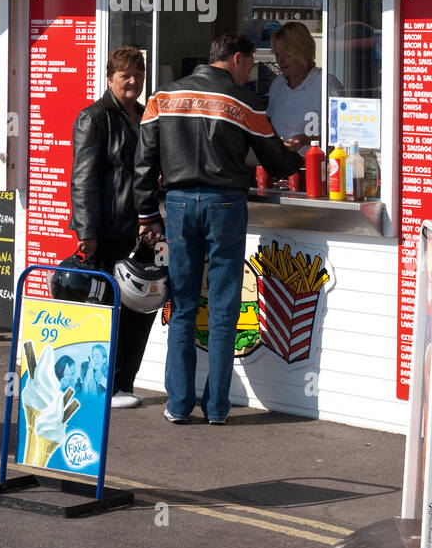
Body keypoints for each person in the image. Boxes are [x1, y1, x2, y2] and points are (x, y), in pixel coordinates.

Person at [134, 33, 301, 425]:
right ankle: (216, 408)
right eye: (249, 65)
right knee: (224, 308)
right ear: (237, 59)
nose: (250, 73)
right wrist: (301, 158)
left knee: (183, 306)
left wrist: (146, 214)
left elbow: (142, 161)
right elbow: (275, 161)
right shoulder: (243, 101)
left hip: (175, 205)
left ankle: (177, 405)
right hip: (224, 204)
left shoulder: (162, 97)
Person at [69, 45, 152, 408]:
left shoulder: (146, 114)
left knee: (138, 312)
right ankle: (103, 387)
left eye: (138, 75)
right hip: (108, 231)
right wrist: (87, 231)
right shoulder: (94, 117)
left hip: (140, 228)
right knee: (106, 310)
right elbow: (82, 179)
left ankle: (123, 384)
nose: (133, 82)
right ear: (109, 78)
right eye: (125, 76)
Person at [266, 21, 339, 154]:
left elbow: (342, 134)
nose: (280, 61)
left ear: (303, 53)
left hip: (317, 167)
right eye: (277, 55)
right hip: (282, 166)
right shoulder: (277, 85)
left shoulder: (326, 84)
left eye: (287, 55)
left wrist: (307, 140)